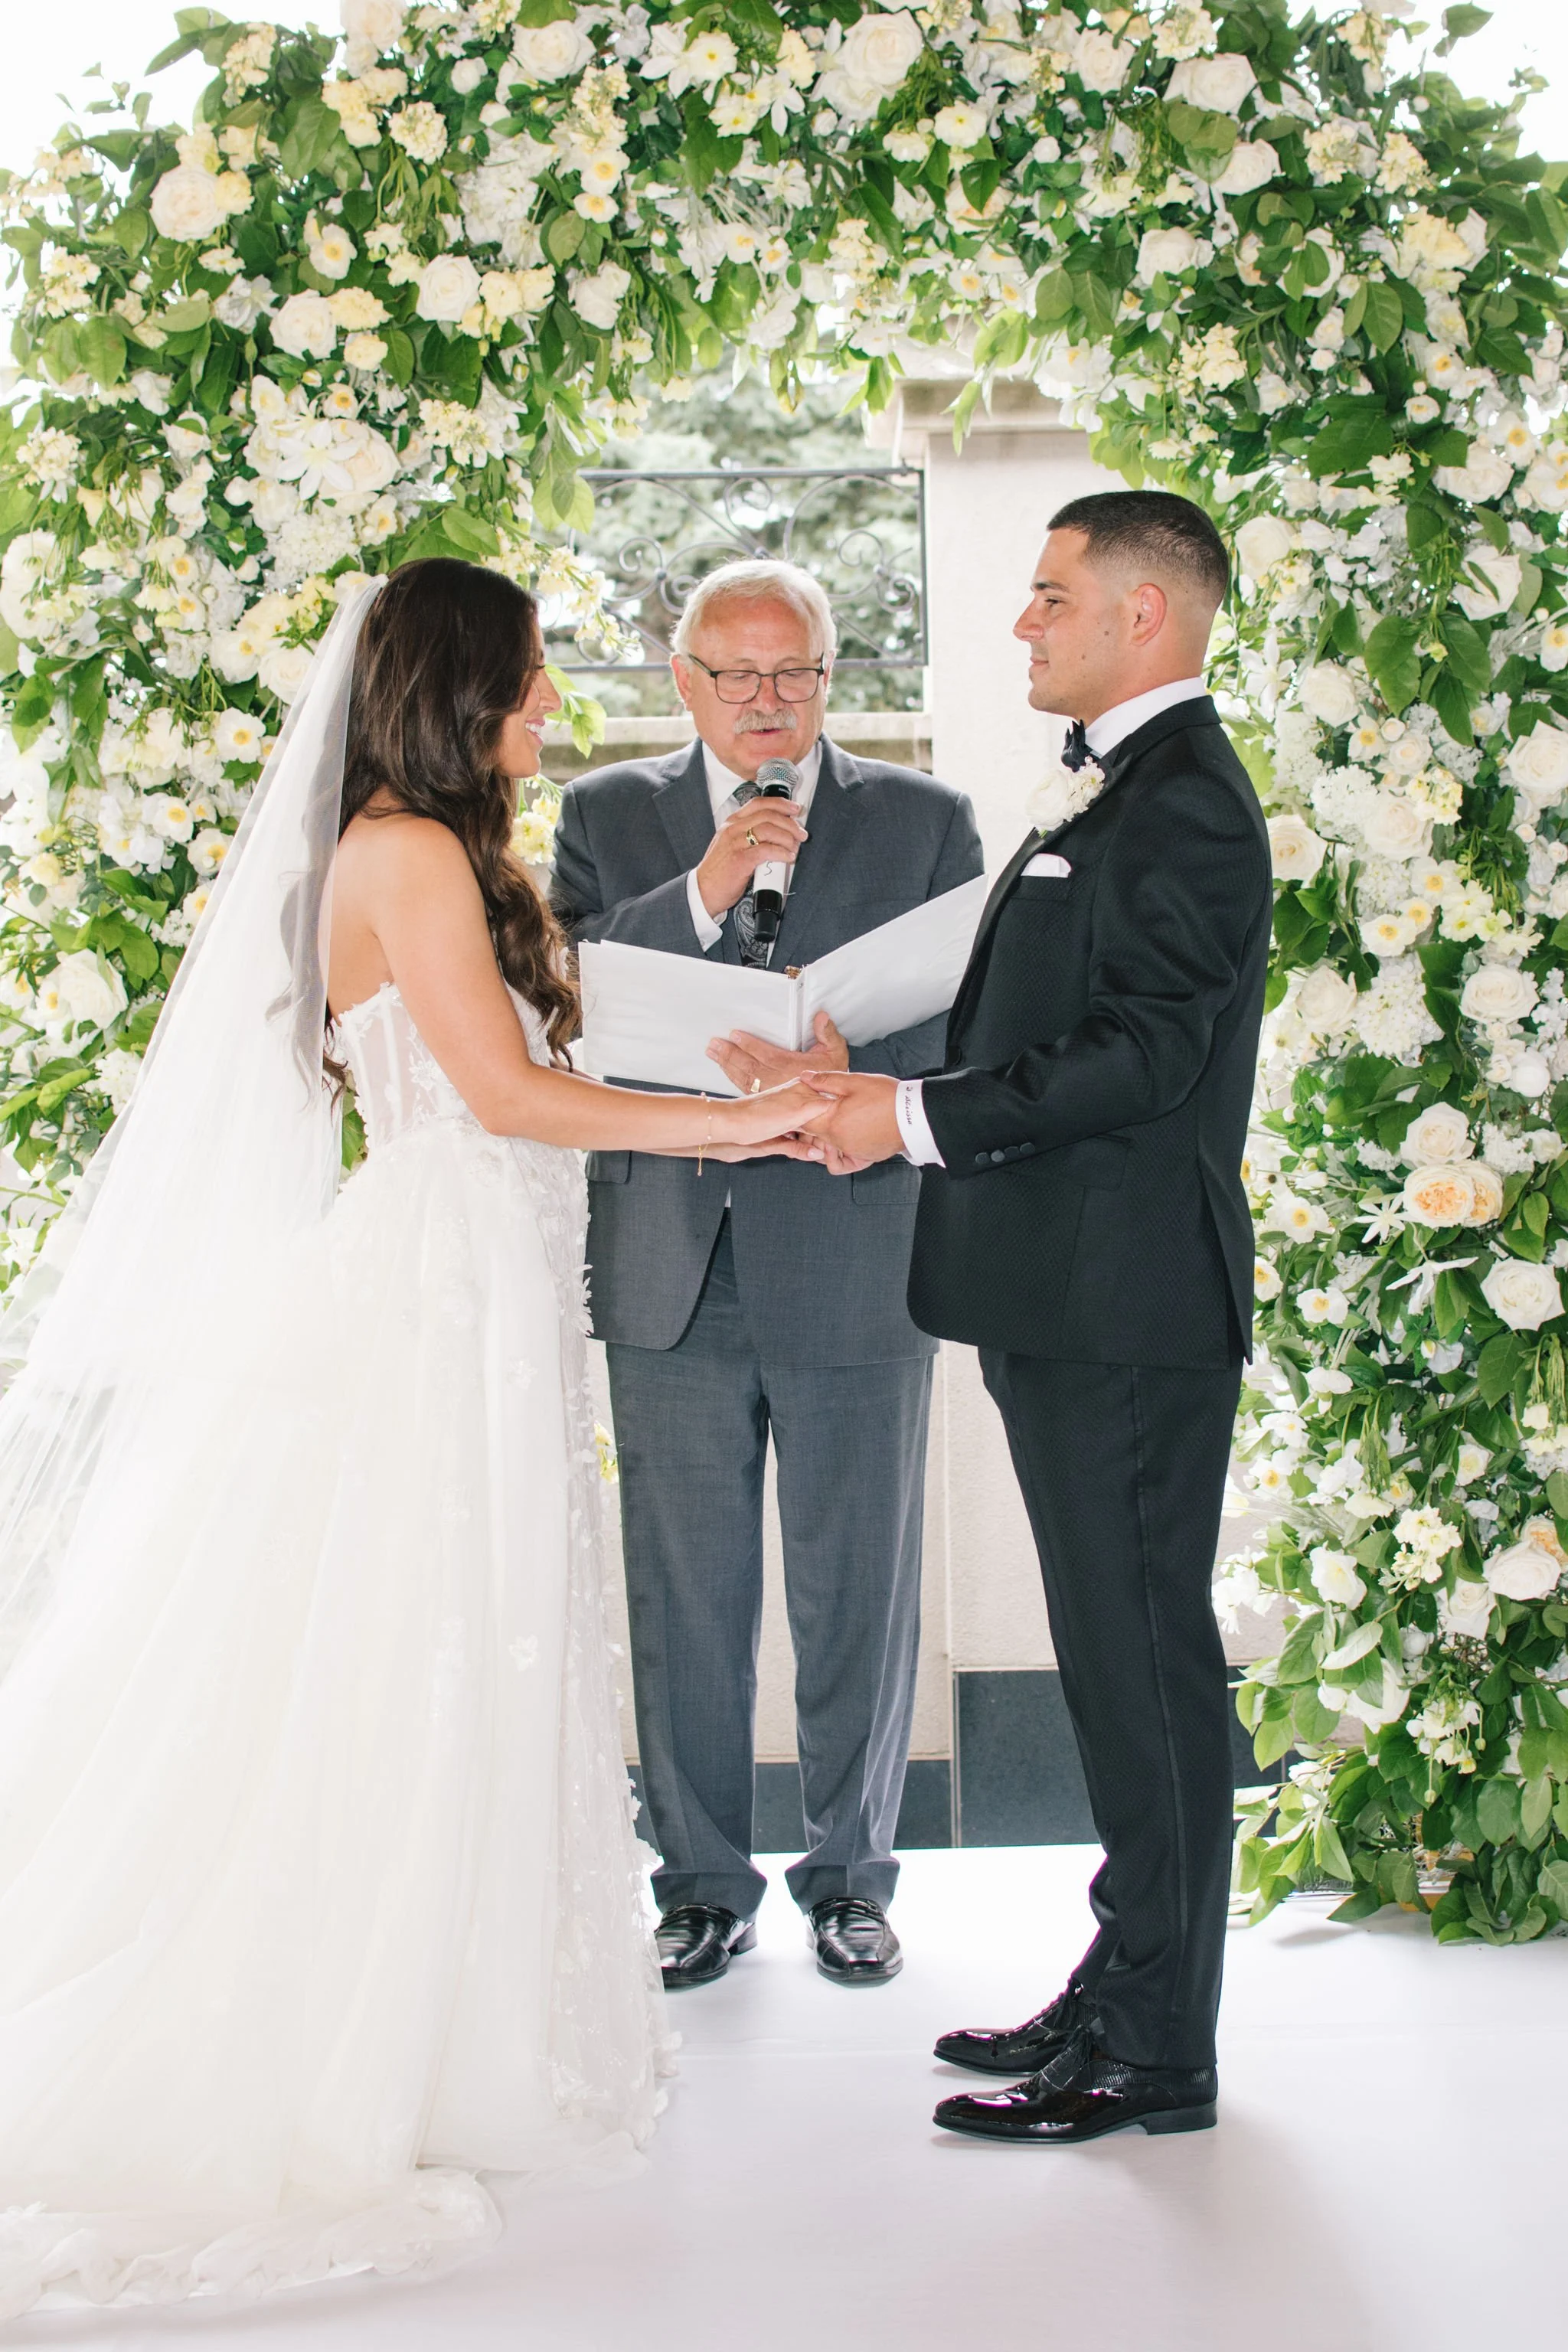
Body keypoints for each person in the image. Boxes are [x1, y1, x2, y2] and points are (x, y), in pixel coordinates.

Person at [0, 559, 816, 2320]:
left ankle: (462, 2022)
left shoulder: (425, 849)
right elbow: (505, 1098)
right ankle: (377, 2041)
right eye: (528, 677)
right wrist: (739, 1135)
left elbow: (522, 1050)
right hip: (442, 1297)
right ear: (458, 689)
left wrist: (724, 1073)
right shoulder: (406, 852)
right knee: (424, 1641)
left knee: (476, 1637)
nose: (550, 704)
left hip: (487, 1287)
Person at [802, 492, 1272, 2141]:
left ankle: (1157, 2048)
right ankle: (1126, 1980)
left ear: (1144, 614)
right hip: (1069, 1298)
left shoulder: (1186, 800)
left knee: (1144, 1674)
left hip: (1124, 1308)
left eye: (1051, 595)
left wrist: (907, 1118)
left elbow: (1144, 1051)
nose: (1024, 622)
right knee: (1116, 1664)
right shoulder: (1128, 786)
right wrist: (859, 1076)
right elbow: (1055, 1014)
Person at [550, 559, 983, 1991]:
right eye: (736, 675)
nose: (765, 702)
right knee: (685, 1592)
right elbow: (558, 1001)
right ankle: (698, 1886)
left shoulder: (923, 820)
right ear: (684, 682)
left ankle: (852, 1878)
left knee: (858, 1580)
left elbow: (983, 1018)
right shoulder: (606, 815)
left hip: (855, 1242)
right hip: (670, 1257)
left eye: (793, 673)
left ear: (828, 680)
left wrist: (861, 1066)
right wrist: (704, 889)